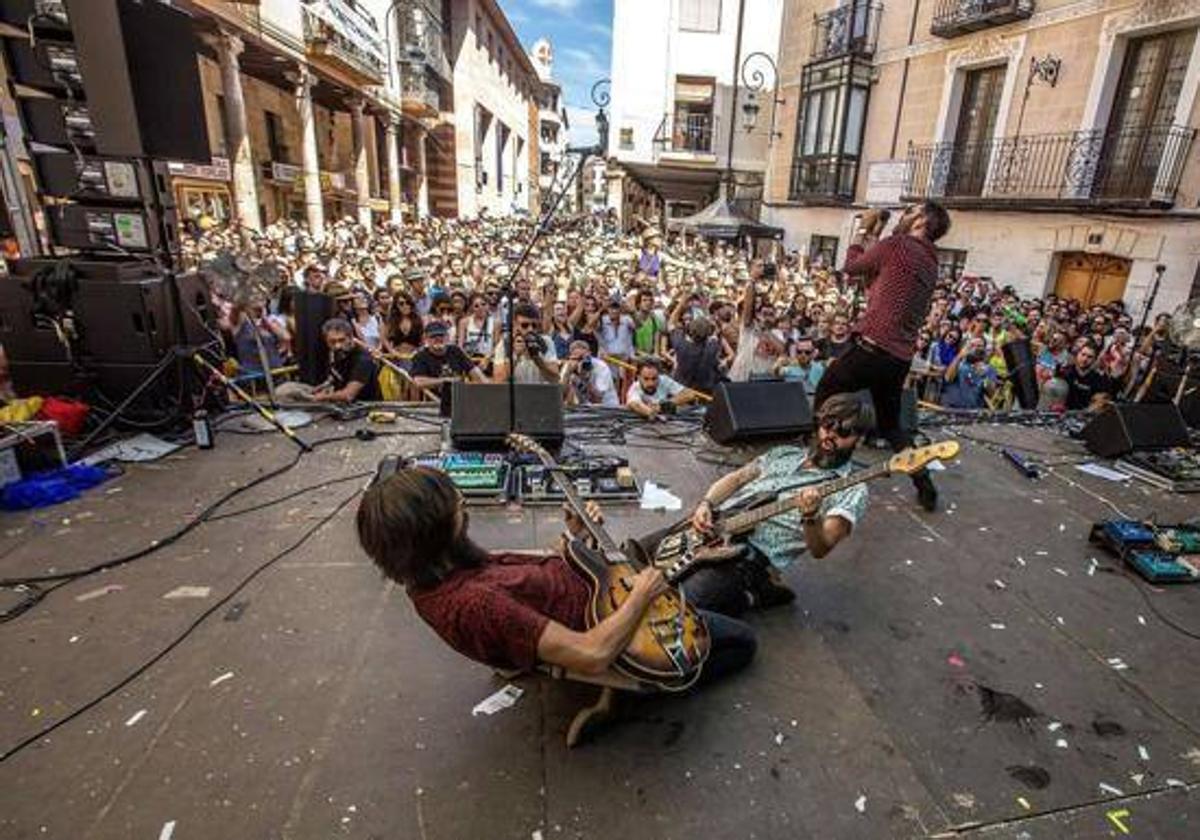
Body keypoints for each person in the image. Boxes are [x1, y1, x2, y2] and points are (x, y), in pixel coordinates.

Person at [355, 468, 757, 738]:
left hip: (597, 584)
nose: (461, 501)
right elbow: (592, 653)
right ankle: (645, 692)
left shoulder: (440, 569)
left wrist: (576, 537)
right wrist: (639, 597)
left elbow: (530, 573)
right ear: (429, 532)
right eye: (452, 504)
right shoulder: (478, 605)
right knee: (739, 631)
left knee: (673, 537)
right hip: (613, 626)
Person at [670, 393, 871, 615]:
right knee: (643, 556)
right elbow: (737, 478)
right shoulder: (785, 453)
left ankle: (754, 591)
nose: (830, 435)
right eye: (827, 424)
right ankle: (753, 593)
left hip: (749, 556)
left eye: (843, 431)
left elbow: (820, 549)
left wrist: (811, 516)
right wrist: (705, 504)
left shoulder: (852, 489)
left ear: (859, 439)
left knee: (679, 603)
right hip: (716, 526)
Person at [813, 202, 951, 512]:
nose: (904, 215)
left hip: (872, 348)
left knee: (825, 393)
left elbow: (852, 268)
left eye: (911, 211)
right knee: (891, 426)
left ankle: (818, 463)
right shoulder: (930, 261)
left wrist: (863, 230)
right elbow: (878, 278)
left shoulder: (899, 245)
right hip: (898, 358)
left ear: (922, 219)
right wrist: (877, 234)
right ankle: (924, 483)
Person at [310, 317, 380, 402]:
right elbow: (335, 377)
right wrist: (318, 389)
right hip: (346, 407)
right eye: (332, 342)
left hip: (365, 408)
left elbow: (349, 395)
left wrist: (323, 397)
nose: (337, 346)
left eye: (342, 340)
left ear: (350, 338)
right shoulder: (337, 354)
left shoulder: (363, 360)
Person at [492, 302, 560, 384]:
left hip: (540, 393)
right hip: (516, 394)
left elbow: (555, 379)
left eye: (534, 325)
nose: (530, 329)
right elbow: (498, 381)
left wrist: (537, 360)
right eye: (525, 325)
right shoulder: (504, 344)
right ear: (515, 325)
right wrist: (515, 357)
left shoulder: (546, 342)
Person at [409, 321, 486, 393]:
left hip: (459, 398)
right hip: (434, 401)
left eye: (441, 335)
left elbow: (476, 373)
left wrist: (487, 387)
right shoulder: (421, 356)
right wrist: (446, 381)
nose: (438, 339)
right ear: (426, 339)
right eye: (433, 336)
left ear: (447, 337)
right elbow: (419, 381)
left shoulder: (456, 351)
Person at [626, 359, 699, 419]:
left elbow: (690, 394)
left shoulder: (664, 380)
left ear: (659, 376)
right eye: (646, 379)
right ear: (638, 377)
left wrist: (665, 405)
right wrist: (650, 411)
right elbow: (634, 404)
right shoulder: (635, 388)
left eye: (654, 379)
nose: (651, 383)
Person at [940, 336, 1000, 409]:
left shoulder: (989, 369)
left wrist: (984, 376)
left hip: (975, 411)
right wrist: (960, 356)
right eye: (972, 345)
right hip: (953, 409)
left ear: (984, 348)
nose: (975, 348)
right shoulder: (959, 363)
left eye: (979, 346)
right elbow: (948, 378)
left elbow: (992, 393)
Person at [561, 339, 619, 407]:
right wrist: (567, 374)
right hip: (585, 408)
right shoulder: (569, 366)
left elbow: (597, 399)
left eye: (583, 358)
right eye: (576, 359)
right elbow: (561, 396)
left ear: (590, 354)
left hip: (607, 408)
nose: (580, 362)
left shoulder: (601, 367)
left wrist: (585, 379)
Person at [1059, 341, 1114, 410]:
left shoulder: (1101, 379)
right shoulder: (1065, 372)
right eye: (1083, 354)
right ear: (1077, 354)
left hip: (1085, 415)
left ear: (1095, 359)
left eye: (1089, 357)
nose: (1085, 359)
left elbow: (1101, 402)